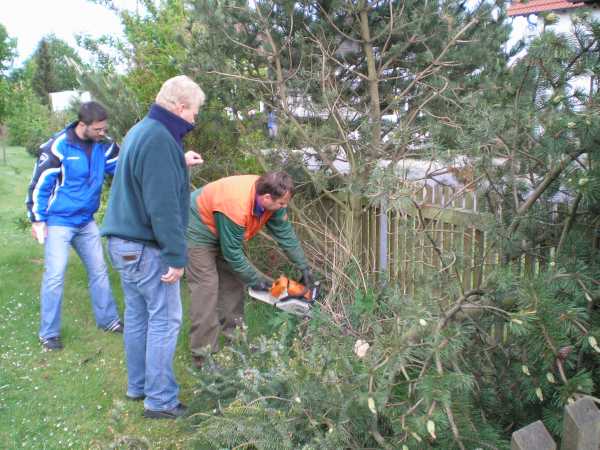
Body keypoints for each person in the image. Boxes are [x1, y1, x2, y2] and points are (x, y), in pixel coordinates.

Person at [102, 75, 205, 420]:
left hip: (122, 244)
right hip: (146, 248)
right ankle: (160, 401)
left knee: (138, 315)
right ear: (179, 107)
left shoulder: (142, 130)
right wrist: (176, 257)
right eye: (194, 111)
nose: (194, 119)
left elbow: (145, 174)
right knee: (165, 319)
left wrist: (180, 160)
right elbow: (162, 207)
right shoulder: (161, 139)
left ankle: (140, 385)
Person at [186, 171, 313, 368]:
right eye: (281, 203)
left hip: (225, 229)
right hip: (197, 229)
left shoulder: (272, 197)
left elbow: (285, 233)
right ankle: (204, 357)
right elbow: (233, 254)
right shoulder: (235, 205)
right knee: (206, 290)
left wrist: (303, 266)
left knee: (233, 288)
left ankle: (237, 343)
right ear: (267, 198)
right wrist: (257, 280)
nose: (283, 207)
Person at [26, 101, 123, 352]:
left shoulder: (104, 146)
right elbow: (40, 185)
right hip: (59, 221)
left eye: (104, 128)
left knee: (99, 271)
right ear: (83, 125)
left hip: (86, 221)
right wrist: (37, 219)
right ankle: (49, 334)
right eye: (98, 129)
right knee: (55, 276)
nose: (103, 133)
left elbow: (126, 166)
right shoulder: (58, 146)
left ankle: (108, 321)